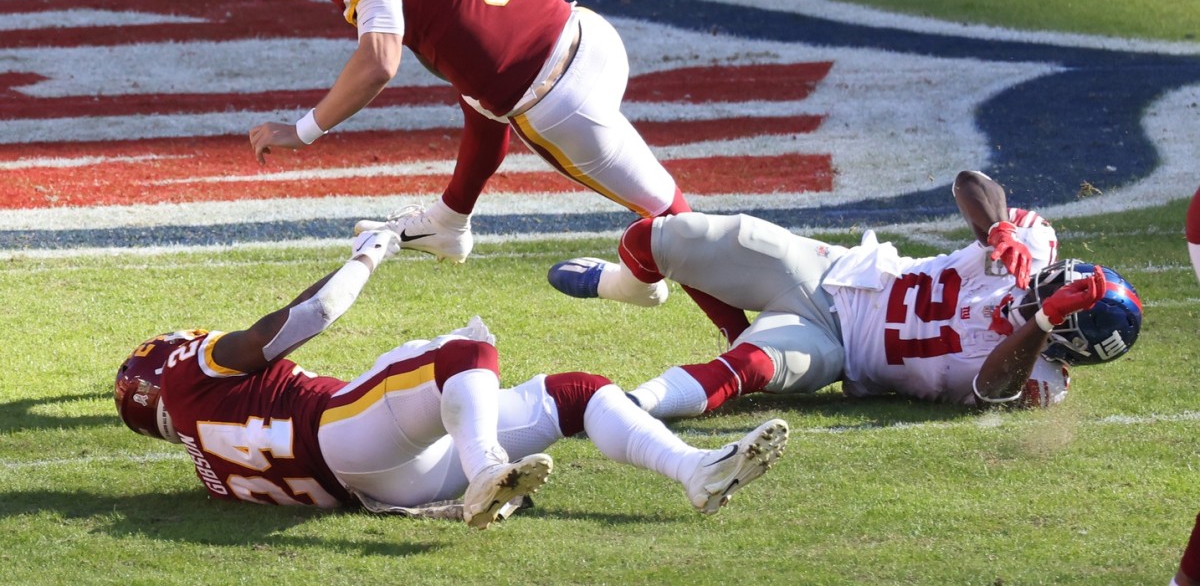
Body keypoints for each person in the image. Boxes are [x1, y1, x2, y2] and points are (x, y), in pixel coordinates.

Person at [246, 0, 750, 339]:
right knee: (475, 78)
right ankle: (449, 221)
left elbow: (379, 61)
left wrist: (304, 130)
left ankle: (732, 333)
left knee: (669, 218)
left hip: (559, 102)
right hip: (589, 32)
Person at [113, 224, 789, 528]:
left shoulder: (211, 473)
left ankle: (695, 471)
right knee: (462, 354)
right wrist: (369, 253)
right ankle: (487, 467)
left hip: (374, 483)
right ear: (164, 365)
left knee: (576, 393)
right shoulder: (186, 373)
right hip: (339, 432)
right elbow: (311, 313)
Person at [547, 170, 1143, 417]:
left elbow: (992, 389)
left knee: (752, 365)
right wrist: (998, 227)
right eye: (1056, 282)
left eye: (1057, 300)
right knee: (669, 235)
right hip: (832, 273)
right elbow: (970, 184)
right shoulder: (1033, 246)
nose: (1043, 286)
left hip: (842, 352)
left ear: (1070, 341)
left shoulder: (1045, 380)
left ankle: (627, 408)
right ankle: (624, 286)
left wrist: (1036, 324)